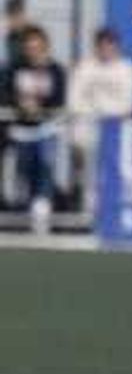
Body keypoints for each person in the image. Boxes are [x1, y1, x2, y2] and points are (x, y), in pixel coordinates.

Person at [3, 24, 66, 231]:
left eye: (37, 47)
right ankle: (23, 212)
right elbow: (6, 93)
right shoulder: (15, 68)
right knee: (24, 170)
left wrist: (41, 106)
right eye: (29, 48)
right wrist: (20, 104)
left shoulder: (55, 70)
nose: (33, 51)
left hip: (46, 128)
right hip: (22, 131)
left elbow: (59, 97)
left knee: (45, 167)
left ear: (45, 47)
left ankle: (42, 211)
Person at [67, 25, 132, 196]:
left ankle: (115, 201)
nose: (106, 49)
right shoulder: (84, 67)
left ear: (116, 46)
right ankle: (89, 202)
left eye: (110, 45)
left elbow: (128, 104)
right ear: (96, 46)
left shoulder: (127, 68)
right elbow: (74, 100)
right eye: (102, 45)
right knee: (89, 171)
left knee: (116, 169)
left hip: (117, 129)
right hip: (89, 127)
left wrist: (104, 110)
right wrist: (95, 112)